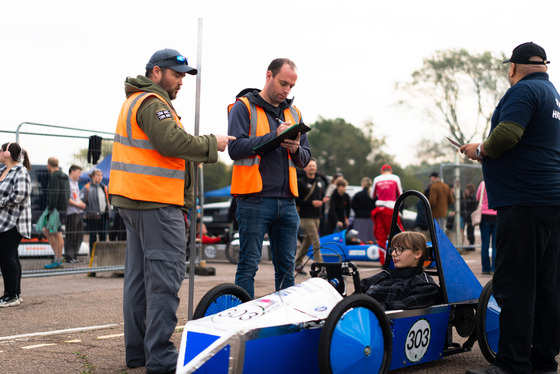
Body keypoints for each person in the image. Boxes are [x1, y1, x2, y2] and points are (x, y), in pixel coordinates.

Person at [108, 48, 234, 373]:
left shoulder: (135, 100)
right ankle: (161, 358)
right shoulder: (153, 103)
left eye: (182, 76)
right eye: (176, 75)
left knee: (137, 282)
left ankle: (139, 354)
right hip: (157, 203)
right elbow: (171, 143)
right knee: (164, 280)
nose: (180, 82)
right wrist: (210, 144)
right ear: (156, 73)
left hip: (134, 202)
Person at [461, 42, 560, 374]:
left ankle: (512, 365)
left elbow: (507, 134)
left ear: (513, 68)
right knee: (547, 286)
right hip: (551, 201)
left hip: (524, 202)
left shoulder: (524, 91)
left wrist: (479, 149)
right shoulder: (554, 96)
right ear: (543, 65)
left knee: (515, 285)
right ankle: (543, 363)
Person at [228, 58, 311, 299]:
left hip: (287, 202)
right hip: (253, 199)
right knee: (248, 266)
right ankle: (241, 324)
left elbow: (305, 158)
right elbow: (235, 149)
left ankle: (284, 324)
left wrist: (295, 148)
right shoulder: (243, 107)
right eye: (283, 83)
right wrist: (273, 137)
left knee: (286, 269)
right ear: (268, 76)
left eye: (291, 87)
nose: (287, 90)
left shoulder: (294, 112)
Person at [360, 231, 439, 310]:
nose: (393, 254)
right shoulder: (384, 274)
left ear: (417, 254)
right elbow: (357, 292)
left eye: (400, 249)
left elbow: (396, 309)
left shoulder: (425, 286)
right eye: (393, 249)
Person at [0, 143, 31, 307]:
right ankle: (14, 294)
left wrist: (1, 202)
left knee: (6, 257)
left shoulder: (20, 171)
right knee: (10, 256)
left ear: (7, 153)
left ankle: (11, 295)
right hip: (3, 222)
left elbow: (21, 194)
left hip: (15, 221)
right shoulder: (3, 171)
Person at [294, 158, 326, 275]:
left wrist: (323, 201)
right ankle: (321, 268)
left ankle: (297, 263)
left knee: (307, 241)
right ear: (305, 168)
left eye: (313, 166)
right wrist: (311, 203)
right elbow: (297, 201)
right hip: (305, 217)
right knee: (316, 241)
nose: (312, 168)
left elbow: (321, 197)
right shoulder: (300, 182)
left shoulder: (319, 181)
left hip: (316, 216)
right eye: (309, 166)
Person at [43, 157, 70, 269]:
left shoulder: (54, 176)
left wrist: (51, 210)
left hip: (55, 209)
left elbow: (54, 194)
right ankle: (57, 256)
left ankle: (58, 259)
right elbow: (68, 193)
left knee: (56, 233)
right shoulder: (65, 176)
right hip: (63, 208)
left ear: (49, 165)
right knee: (48, 231)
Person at [371, 164, 403, 248]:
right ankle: (399, 255)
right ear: (391, 171)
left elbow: (372, 196)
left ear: (382, 171)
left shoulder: (376, 179)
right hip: (391, 209)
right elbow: (401, 195)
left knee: (381, 235)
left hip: (379, 210)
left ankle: (383, 259)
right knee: (397, 234)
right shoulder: (395, 178)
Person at [81, 169, 109, 255]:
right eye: (98, 175)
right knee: (92, 236)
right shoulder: (87, 187)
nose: (100, 177)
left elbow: (107, 200)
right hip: (92, 216)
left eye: (101, 175)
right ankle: (92, 254)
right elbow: (81, 200)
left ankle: (102, 254)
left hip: (103, 215)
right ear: (93, 176)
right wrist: (88, 210)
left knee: (103, 236)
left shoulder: (104, 187)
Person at [65, 165, 86, 263]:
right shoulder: (67, 183)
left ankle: (75, 255)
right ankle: (69, 256)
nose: (80, 175)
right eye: (78, 172)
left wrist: (81, 203)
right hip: (71, 212)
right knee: (71, 235)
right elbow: (67, 199)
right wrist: (77, 204)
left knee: (79, 235)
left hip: (78, 212)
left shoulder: (76, 183)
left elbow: (76, 197)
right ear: (72, 171)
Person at [476, 181, 495, 274]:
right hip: (496, 214)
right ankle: (494, 268)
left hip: (484, 215)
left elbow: (478, 197)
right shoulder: (499, 182)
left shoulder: (483, 183)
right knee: (496, 244)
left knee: (485, 243)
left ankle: (485, 268)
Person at [350, 177, 375, 243]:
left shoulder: (357, 195)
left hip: (359, 219)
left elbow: (352, 205)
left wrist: (357, 211)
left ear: (362, 184)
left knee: (359, 239)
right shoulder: (373, 196)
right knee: (371, 240)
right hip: (371, 219)